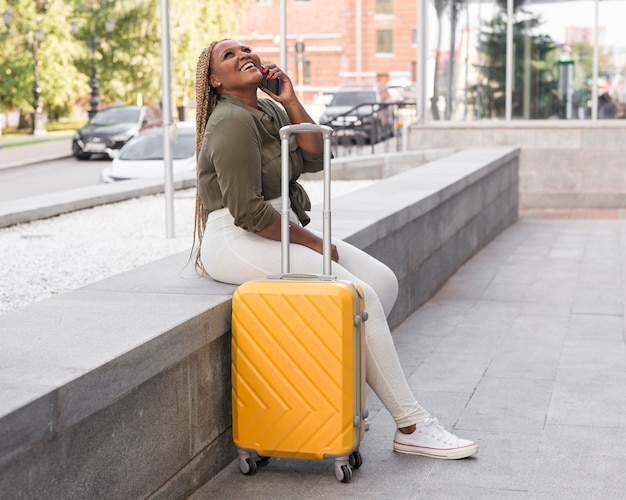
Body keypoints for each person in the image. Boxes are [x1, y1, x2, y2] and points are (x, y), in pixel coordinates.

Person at [191, 39, 478, 460]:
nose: (245, 55)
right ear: (215, 80)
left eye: (247, 49)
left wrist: (289, 99)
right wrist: (314, 242)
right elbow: (248, 212)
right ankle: (411, 424)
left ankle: (330, 395)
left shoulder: (268, 109)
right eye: (230, 56)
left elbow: (316, 156)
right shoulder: (230, 122)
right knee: (356, 297)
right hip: (238, 238)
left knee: (382, 282)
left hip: (277, 228)